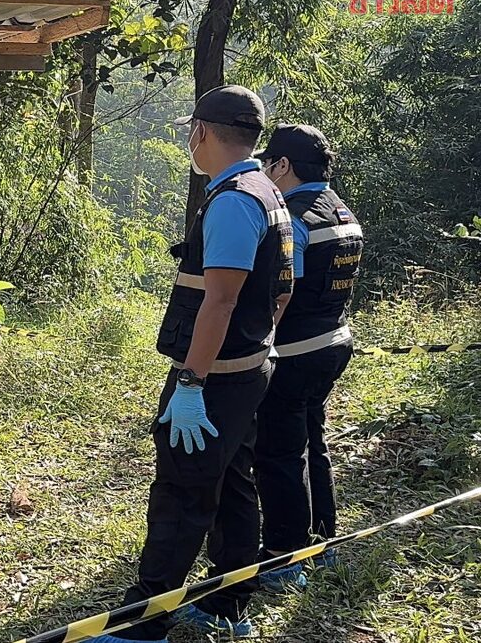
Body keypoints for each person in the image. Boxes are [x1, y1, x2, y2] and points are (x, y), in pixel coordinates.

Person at [92, 85, 293, 643]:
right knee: (232, 483)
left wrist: (190, 382)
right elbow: (283, 287)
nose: (189, 139)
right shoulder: (267, 191)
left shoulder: (232, 201)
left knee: (182, 492)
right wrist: (259, 346)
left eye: (190, 131)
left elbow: (221, 300)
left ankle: (144, 623)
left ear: (201, 132)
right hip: (247, 370)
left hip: (214, 380)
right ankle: (229, 604)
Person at [253, 125, 363, 590]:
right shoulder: (343, 212)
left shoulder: (294, 218)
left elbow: (283, 292)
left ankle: (282, 555)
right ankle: (322, 540)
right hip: (334, 343)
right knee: (311, 441)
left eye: (267, 163)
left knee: (277, 452)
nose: (263, 172)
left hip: (295, 352)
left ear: (283, 166)